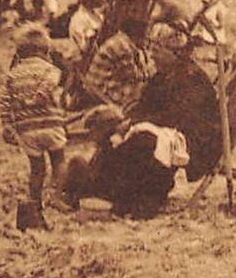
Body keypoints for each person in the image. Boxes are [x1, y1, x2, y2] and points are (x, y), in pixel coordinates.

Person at [129, 24, 222, 182]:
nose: (152, 56)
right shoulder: (167, 74)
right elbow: (146, 103)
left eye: (157, 51)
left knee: (144, 139)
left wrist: (139, 121)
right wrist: (130, 119)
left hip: (197, 142)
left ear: (174, 53)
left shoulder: (191, 79)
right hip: (178, 132)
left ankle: (147, 191)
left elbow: (178, 116)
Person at [0, 25, 68, 230]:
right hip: (50, 124)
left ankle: (35, 203)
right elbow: (50, 85)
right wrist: (36, 99)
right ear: (44, 51)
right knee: (59, 160)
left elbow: (3, 102)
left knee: (37, 169)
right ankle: (57, 193)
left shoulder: (12, 76)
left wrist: (7, 125)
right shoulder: (50, 70)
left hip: (27, 129)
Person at [83, 15, 153, 110]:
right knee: (141, 95)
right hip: (100, 88)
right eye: (146, 36)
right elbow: (133, 75)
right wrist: (149, 70)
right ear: (137, 35)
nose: (147, 39)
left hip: (97, 81)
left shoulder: (120, 40)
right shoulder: (122, 47)